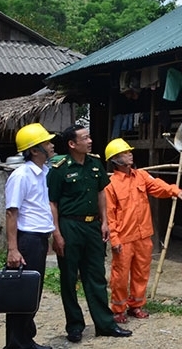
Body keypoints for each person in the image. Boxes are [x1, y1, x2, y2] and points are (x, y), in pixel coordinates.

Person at [48, 125, 132, 342]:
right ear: (72, 144)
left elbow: (101, 192)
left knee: (96, 276)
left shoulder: (95, 164)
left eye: (89, 136)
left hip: (93, 227)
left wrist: (104, 221)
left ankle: (105, 324)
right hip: (69, 226)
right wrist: (56, 233)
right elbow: (53, 203)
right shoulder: (59, 168)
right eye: (85, 138)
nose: (90, 140)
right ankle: (74, 326)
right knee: (69, 277)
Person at [104, 138, 182, 324]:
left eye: (129, 151)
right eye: (126, 153)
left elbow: (158, 186)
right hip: (124, 238)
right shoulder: (110, 184)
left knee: (141, 273)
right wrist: (114, 239)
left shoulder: (141, 176)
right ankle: (118, 309)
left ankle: (136, 305)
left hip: (143, 235)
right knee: (120, 276)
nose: (130, 154)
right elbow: (110, 215)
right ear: (116, 159)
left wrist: (175, 191)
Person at [3, 123, 57, 349]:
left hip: (39, 239)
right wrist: (13, 249)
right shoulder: (21, 175)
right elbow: (11, 212)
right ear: (34, 150)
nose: (52, 145)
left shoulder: (44, 172)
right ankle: (16, 343)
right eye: (47, 143)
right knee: (22, 292)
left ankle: (25, 339)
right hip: (27, 240)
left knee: (32, 291)